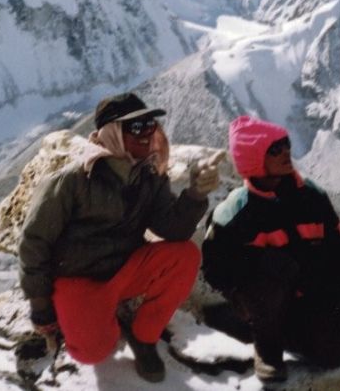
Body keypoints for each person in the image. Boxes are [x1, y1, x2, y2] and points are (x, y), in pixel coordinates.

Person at [18, 92, 222, 382]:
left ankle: (144, 335)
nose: (147, 134)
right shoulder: (72, 180)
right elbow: (34, 243)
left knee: (185, 255)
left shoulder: (148, 178)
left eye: (149, 125)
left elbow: (173, 230)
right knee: (92, 353)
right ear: (111, 133)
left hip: (125, 271)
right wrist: (41, 308)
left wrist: (196, 193)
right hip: (77, 280)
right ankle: (88, 319)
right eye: (135, 127)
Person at [201, 115, 340, 383]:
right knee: (273, 268)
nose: (286, 152)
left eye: (285, 144)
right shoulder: (235, 212)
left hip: (309, 295)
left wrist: (323, 286)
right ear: (253, 159)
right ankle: (266, 347)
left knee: (332, 355)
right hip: (264, 297)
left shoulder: (312, 196)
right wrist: (258, 263)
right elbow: (215, 270)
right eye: (275, 149)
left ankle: (264, 328)